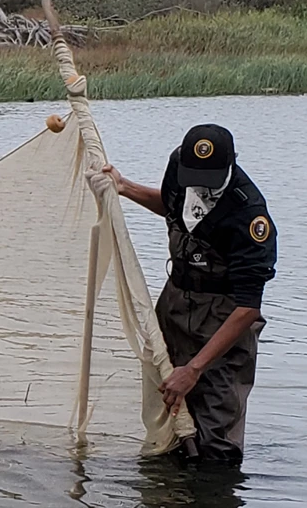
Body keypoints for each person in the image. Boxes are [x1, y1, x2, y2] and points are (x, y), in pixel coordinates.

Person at [92, 124, 276, 464]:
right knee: (170, 415)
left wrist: (193, 369)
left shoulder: (249, 217)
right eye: (194, 175)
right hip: (174, 303)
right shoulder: (180, 166)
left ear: (231, 164)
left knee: (215, 441)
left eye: (208, 177)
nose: (199, 183)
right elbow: (174, 207)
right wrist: (124, 187)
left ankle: (210, 504)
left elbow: (248, 308)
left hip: (224, 319)